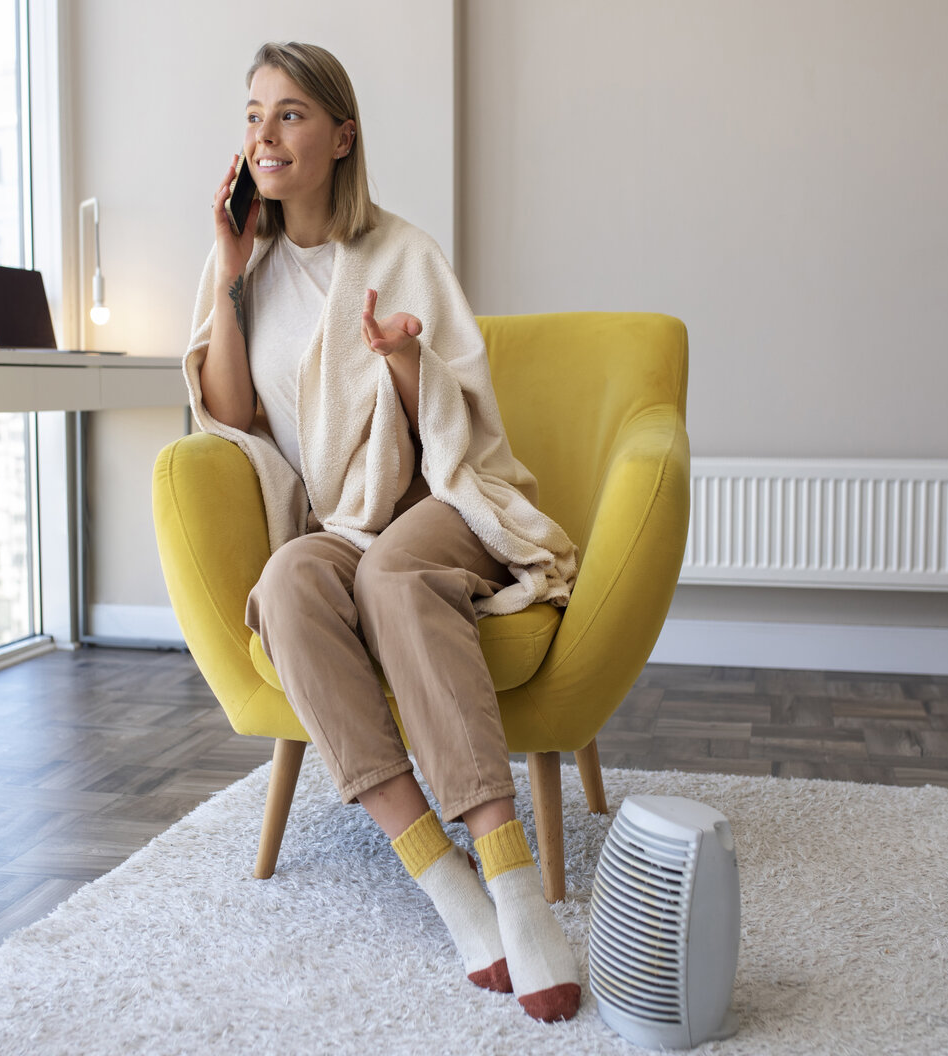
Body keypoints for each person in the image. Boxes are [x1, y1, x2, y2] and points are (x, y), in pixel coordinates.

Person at [183, 42, 581, 1023]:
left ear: (339, 136)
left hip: (439, 506)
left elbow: (463, 427)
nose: (263, 136)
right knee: (284, 587)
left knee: (395, 574)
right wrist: (231, 277)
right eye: (252, 116)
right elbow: (231, 417)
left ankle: (512, 881)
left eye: (288, 115)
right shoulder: (242, 262)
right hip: (336, 519)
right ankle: (441, 876)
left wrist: (406, 363)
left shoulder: (403, 253)